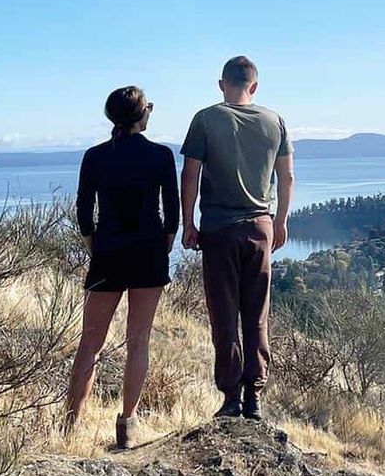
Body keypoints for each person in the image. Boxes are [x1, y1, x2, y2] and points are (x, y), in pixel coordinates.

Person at [65, 86, 180, 449]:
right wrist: (161, 248)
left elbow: (85, 212)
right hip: (148, 252)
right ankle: (127, 424)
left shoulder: (95, 156)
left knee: (90, 343)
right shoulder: (161, 156)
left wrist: (96, 248)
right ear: (141, 114)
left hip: (109, 253)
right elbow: (172, 213)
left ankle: (70, 426)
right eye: (149, 108)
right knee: (138, 340)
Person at [180, 55, 294, 420]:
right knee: (257, 314)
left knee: (224, 314)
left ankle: (231, 398)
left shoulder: (206, 119)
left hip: (218, 228)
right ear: (254, 86)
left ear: (221, 84)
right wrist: (281, 222)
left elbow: (190, 175)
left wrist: (187, 222)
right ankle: (255, 397)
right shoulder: (275, 121)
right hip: (260, 226)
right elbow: (287, 178)